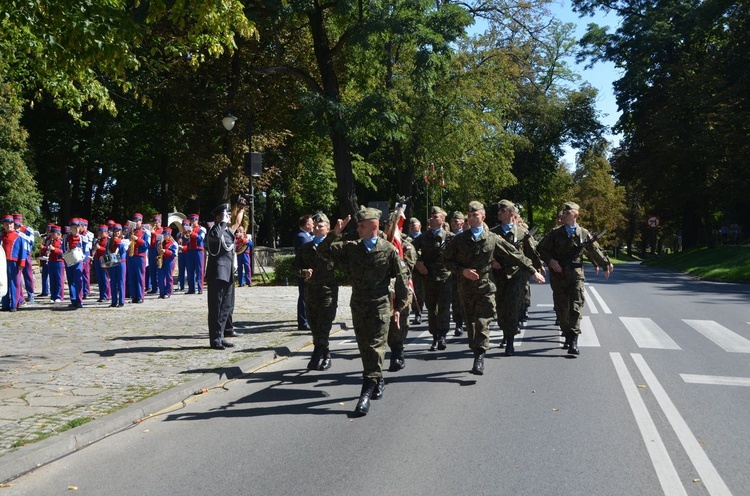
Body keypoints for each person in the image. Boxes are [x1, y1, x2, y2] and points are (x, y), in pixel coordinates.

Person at [318, 207, 409, 417]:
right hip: (359, 304)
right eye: (357, 225)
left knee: (376, 346)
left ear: (374, 226)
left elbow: (402, 278)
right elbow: (323, 252)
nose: (357, 229)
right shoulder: (352, 248)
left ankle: (366, 390)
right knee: (365, 347)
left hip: (380, 305)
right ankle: (377, 377)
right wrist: (334, 233)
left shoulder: (388, 250)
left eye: (361, 225)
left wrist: (399, 308)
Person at [444, 201, 545, 375]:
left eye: (475, 215)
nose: (472, 218)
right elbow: (446, 261)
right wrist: (462, 271)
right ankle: (477, 349)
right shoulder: (459, 240)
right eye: (469, 215)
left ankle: (479, 357)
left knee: (483, 321)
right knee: (471, 324)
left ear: (483, 217)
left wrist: (533, 271)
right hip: (466, 288)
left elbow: (516, 255)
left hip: (485, 287)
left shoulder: (492, 238)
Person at [537, 202, 613, 355]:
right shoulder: (555, 233)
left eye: (567, 213)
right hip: (558, 276)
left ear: (575, 215)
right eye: (563, 213)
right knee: (561, 308)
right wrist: (551, 261)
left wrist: (606, 263)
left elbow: (594, 250)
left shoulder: (583, 233)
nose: (564, 215)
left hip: (576, 275)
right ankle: (566, 332)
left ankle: (573, 339)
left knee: (576, 306)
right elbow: (540, 249)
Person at [492, 200, 544, 356]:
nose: (499, 212)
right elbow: (485, 252)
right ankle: (505, 332)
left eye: (502, 210)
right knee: (501, 308)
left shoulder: (522, 233)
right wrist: (492, 261)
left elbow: (531, 253)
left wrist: (537, 266)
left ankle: (510, 341)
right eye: (499, 210)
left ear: (510, 214)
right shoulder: (493, 233)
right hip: (499, 276)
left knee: (514, 308)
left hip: (517, 276)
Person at [292, 213, 339, 370]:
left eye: (321, 226)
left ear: (328, 228)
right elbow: (295, 267)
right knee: (314, 326)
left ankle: (316, 354)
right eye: (316, 226)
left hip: (328, 291)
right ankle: (326, 353)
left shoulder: (334, 247)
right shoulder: (306, 248)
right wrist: (303, 272)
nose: (317, 228)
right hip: (311, 291)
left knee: (324, 325)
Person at [411, 206, 455, 352]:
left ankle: (442, 335)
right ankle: (435, 336)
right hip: (428, 277)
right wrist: (417, 262)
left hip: (445, 277)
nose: (432, 219)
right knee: (431, 308)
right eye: (431, 216)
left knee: (443, 308)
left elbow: (460, 253)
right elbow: (409, 250)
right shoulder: (423, 237)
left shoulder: (450, 237)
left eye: (435, 217)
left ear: (442, 220)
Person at [205, 200, 246, 350]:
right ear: (218, 217)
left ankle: (221, 336)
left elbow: (236, 223)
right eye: (225, 214)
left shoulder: (227, 231)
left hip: (228, 273)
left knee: (226, 307)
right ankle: (215, 339)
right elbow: (216, 237)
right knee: (216, 307)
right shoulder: (214, 230)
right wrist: (222, 221)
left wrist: (241, 208)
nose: (228, 217)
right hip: (217, 273)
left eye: (228, 214)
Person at [1, 215, 28, 312]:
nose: (9, 226)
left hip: (14, 263)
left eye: (10, 224)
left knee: (14, 283)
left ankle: (14, 304)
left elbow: (23, 251)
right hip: (3, 263)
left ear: (13, 224)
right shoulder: (1, 236)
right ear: (3, 225)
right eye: (6, 224)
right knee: (4, 283)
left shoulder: (19, 236)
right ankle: (5, 304)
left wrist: (22, 263)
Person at [294, 215, 314, 330]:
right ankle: (303, 322)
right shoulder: (302, 237)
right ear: (307, 225)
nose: (313, 225)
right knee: (304, 296)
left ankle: (307, 319)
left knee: (307, 296)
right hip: (304, 270)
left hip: (308, 271)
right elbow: (306, 256)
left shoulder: (307, 236)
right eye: (311, 223)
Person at [449, 211, 466, 336]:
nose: (454, 223)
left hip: (465, 273)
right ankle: (458, 323)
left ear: (462, 223)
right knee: (456, 300)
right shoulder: (448, 236)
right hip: (452, 272)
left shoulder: (467, 236)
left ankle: (467, 321)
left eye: (457, 221)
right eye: (453, 221)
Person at [127, 213, 149, 303]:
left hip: (140, 256)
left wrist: (137, 239)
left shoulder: (145, 232)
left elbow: (146, 245)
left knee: (139, 277)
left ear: (141, 221)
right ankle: (134, 296)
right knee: (132, 277)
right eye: (135, 221)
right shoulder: (131, 232)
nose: (136, 222)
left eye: (138, 221)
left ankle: (140, 296)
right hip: (131, 256)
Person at [63, 219, 85, 309]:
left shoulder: (82, 238)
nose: (75, 230)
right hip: (69, 261)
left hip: (78, 261)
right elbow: (63, 248)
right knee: (71, 281)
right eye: (73, 228)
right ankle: (73, 300)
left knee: (78, 281)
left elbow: (86, 250)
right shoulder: (66, 238)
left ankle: (79, 300)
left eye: (76, 228)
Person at [408, 217, 425, 324]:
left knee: (425, 292)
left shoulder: (425, 238)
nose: (412, 227)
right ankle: (417, 312)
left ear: (420, 226)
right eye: (410, 226)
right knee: (415, 291)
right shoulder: (406, 239)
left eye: (414, 225)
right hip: (412, 270)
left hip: (424, 269)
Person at [106, 224, 127, 307]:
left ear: (120, 232)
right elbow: (107, 251)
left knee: (121, 282)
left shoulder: (124, 240)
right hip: (112, 262)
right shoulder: (110, 241)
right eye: (115, 231)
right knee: (113, 282)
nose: (117, 232)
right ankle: (114, 301)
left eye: (118, 231)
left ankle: (121, 302)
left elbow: (123, 251)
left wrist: (119, 243)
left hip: (121, 262)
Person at [185, 214, 206, 295]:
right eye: (191, 221)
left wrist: (192, 233)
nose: (192, 222)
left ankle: (200, 288)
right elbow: (186, 240)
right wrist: (185, 235)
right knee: (190, 270)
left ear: (197, 221)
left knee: (199, 270)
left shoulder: (201, 229)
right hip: (190, 250)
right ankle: (191, 289)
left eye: (194, 221)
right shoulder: (189, 229)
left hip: (198, 251)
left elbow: (201, 238)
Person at [157, 227, 178, 299]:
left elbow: (174, 253)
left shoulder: (173, 243)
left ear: (169, 235)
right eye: (163, 234)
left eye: (165, 235)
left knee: (168, 277)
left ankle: (168, 292)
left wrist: (166, 251)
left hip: (170, 260)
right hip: (162, 260)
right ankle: (161, 293)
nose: (164, 236)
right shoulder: (162, 243)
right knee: (160, 277)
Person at [93, 225, 111, 302]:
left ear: (106, 233)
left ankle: (106, 295)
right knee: (100, 278)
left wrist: (99, 248)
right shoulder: (98, 240)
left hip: (104, 259)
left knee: (105, 278)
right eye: (99, 232)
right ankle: (101, 295)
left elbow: (108, 251)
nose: (100, 233)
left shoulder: (108, 240)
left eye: (102, 232)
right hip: (98, 259)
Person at [147, 214, 163, 294]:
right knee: (152, 269)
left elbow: (161, 237)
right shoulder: (151, 230)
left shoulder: (162, 230)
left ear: (160, 222)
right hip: (151, 249)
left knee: (158, 269)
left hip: (158, 250)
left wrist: (154, 233)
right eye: (154, 222)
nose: (155, 224)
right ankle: (154, 288)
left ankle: (159, 287)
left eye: (157, 222)